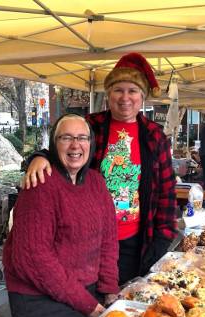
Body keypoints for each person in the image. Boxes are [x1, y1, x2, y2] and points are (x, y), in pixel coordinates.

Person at [24, 53, 178, 284]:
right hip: (86, 239)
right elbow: (63, 149)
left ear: (142, 96)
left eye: (132, 90)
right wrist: (39, 156)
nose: (125, 97)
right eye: (118, 90)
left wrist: (162, 241)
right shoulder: (91, 125)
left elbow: (167, 192)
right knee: (83, 302)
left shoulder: (155, 137)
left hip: (135, 241)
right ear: (108, 94)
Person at [3, 114, 119, 317]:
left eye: (82, 138)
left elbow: (108, 240)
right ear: (54, 145)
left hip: (84, 291)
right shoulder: (41, 184)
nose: (75, 145)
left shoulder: (97, 182)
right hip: (39, 300)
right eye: (66, 138)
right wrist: (89, 306)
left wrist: (109, 291)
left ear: (91, 144)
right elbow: (33, 260)